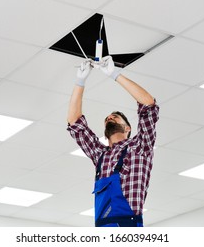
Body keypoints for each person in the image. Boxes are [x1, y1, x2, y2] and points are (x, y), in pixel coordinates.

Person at [67, 56, 159, 227]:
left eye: (115, 117)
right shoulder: (100, 155)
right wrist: (80, 82)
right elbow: (74, 123)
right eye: (107, 118)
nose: (110, 118)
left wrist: (115, 74)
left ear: (128, 128)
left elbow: (148, 105)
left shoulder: (140, 148)